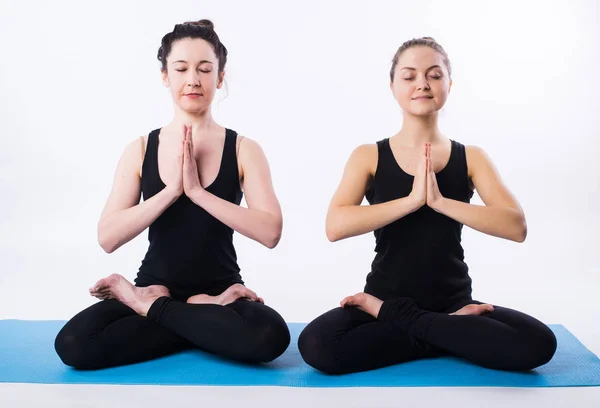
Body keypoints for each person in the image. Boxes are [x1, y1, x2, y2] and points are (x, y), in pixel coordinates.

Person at [298, 37, 557, 375]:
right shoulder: (369, 155)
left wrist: (439, 201)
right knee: (317, 345)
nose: (422, 83)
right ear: (392, 86)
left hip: (452, 304)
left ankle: (417, 325)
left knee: (539, 343)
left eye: (434, 75)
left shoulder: (472, 157)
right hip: (386, 298)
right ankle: (445, 333)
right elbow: (335, 225)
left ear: (449, 84)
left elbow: (515, 226)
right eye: (409, 76)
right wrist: (411, 201)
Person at [54, 19, 290, 370]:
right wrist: (170, 192)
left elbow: (270, 232)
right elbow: (107, 237)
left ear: (220, 77)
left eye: (205, 69)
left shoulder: (243, 149)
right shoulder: (140, 148)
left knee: (271, 336)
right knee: (73, 343)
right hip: (159, 287)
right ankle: (194, 315)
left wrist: (197, 192)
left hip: (221, 291)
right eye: (181, 68)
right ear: (166, 76)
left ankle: (153, 310)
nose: (193, 79)